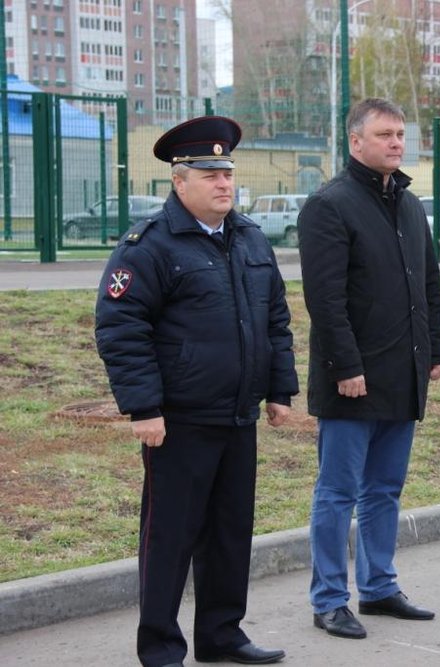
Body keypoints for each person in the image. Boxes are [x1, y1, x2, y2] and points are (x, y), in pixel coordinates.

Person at [94, 116, 298, 666]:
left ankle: (221, 634)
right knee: (170, 540)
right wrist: (143, 407)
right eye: (209, 173)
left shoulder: (251, 238)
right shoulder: (150, 247)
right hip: (179, 422)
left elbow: (274, 319)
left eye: (227, 171)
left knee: (231, 535)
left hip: (238, 416)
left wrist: (279, 388)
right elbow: (121, 327)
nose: (223, 183)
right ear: (179, 181)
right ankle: (161, 647)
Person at [297, 98, 440, 640]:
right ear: (356, 141)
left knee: (385, 488)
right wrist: (345, 365)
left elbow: (428, 282)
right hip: (352, 379)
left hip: (402, 373)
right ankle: (330, 600)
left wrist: (436, 349)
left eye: (401, 134)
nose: (396, 143)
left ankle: (380, 587)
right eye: (385, 134)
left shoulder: (409, 204)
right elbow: (325, 298)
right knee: (338, 492)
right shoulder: (329, 205)